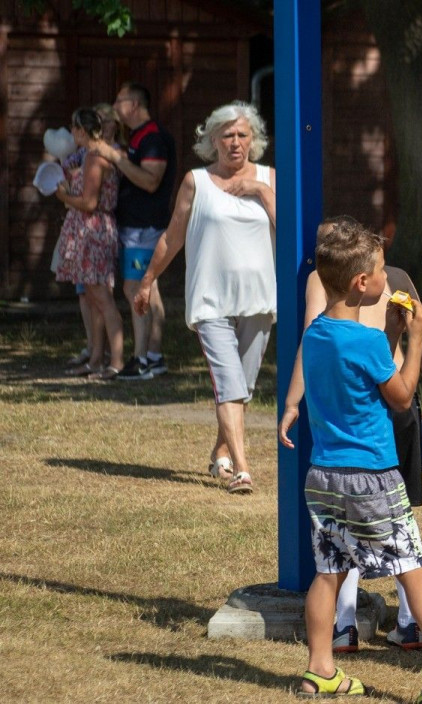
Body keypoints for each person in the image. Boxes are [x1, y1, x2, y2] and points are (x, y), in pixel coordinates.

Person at [278, 220, 422, 703]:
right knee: (410, 566)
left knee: (328, 571)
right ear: (362, 283)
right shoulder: (367, 343)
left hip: (324, 475)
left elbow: (355, 374)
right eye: (381, 271)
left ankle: (320, 668)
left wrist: (394, 330)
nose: (386, 278)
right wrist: (416, 337)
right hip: (373, 476)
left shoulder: (317, 334)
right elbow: (400, 397)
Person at [133, 101, 277, 494]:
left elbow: (290, 230)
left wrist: (262, 191)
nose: (235, 142)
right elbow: (172, 236)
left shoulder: (269, 178)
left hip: (260, 300)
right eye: (226, 134)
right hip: (210, 300)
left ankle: (220, 452)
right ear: (212, 140)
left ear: (254, 139)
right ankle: (242, 469)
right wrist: (147, 280)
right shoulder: (196, 181)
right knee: (229, 383)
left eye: (242, 134)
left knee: (242, 387)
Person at [98, 82, 177, 380]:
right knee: (148, 288)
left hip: (144, 228)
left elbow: (150, 181)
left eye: (119, 101)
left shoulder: (153, 137)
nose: (115, 107)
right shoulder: (140, 136)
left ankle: (140, 360)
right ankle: (154, 357)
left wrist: (115, 157)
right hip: (139, 226)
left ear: (133, 104)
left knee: (135, 289)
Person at [53, 107, 125, 380]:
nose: (71, 134)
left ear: (82, 131)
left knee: (103, 298)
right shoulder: (93, 156)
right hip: (88, 229)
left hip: (93, 231)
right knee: (94, 299)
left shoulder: (95, 158)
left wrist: (63, 197)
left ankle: (115, 362)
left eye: (73, 128)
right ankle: (96, 359)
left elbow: (90, 202)